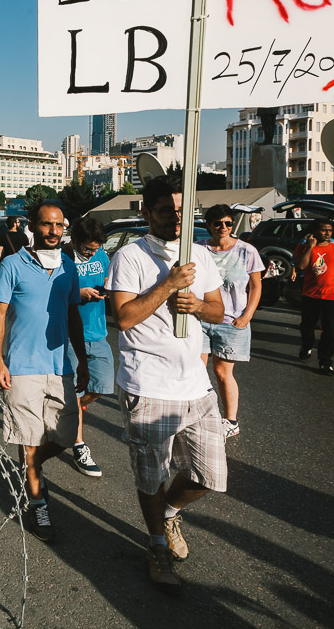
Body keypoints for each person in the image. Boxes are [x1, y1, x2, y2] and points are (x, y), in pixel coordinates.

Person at [108, 175, 225, 592]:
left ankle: (171, 512)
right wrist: (169, 284)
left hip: (196, 384)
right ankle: (157, 543)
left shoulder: (201, 255)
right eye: (164, 211)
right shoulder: (131, 257)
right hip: (148, 385)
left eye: (180, 211)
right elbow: (122, 318)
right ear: (146, 213)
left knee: (210, 476)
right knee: (151, 478)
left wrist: (197, 306)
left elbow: (218, 310)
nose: (174, 219)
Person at [0, 203, 89, 543]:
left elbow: (73, 316)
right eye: (46, 225)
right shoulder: (13, 264)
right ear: (32, 226)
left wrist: (83, 359)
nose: (53, 231)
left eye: (59, 226)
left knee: (64, 436)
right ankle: (37, 502)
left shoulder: (69, 269)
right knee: (28, 441)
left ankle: (32, 470)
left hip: (60, 367)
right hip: (21, 369)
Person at [196, 204, 264, 439]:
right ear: (209, 226)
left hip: (232, 320)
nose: (223, 228)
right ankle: (200, 416)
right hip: (201, 317)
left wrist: (247, 316)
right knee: (197, 370)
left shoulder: (247, 251)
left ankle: (231, 420)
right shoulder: (199, 249)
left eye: (228, 223)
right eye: (218, 224)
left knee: (223, 372)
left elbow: (256, 285)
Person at [61, 216, 112, 478]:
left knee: (102, 386)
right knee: (76, 388)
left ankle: (73, 410)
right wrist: (79, 295)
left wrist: (106, 290)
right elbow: (51, 295)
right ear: (74, 240)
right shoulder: (62, 258)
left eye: (95, 249)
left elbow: (106, 278)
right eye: (87, 249)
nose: (92, 253)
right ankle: (79, 445)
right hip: (70, 335)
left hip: (98, 332)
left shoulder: (101, 255)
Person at [295, 218, 334, 376]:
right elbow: (301, 266)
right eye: (323, 230)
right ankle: (307, 345)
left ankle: (325, 361)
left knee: (330, 329)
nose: (327, 233)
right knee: (307, 327)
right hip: (310, 295)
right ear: (314, 231)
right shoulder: (303, 247)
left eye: (329, 230)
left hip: (333, 295)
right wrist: (309, 247)